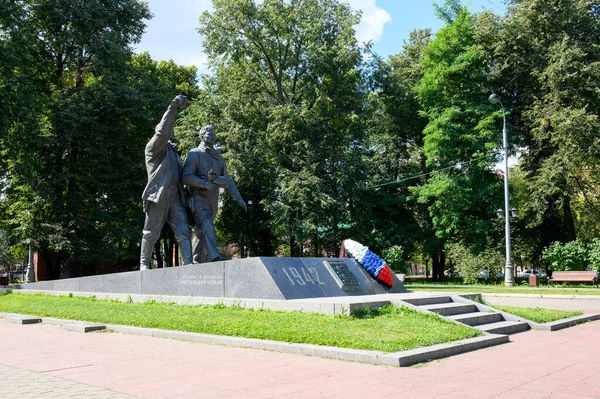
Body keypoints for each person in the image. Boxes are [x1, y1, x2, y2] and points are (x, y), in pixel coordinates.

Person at [140, 95, 193, 270]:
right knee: (151, 232)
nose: (172, 131)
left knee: (183, 230)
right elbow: (162, 132)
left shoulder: (175, 154)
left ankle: (189, 263)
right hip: (158, 195)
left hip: (174, 196)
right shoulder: (153, 149)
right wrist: (172, 108)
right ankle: (144, 264)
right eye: (170, 129)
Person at [182, 125, 247, 262]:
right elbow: (186, 177)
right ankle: (215, 257)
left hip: (213, 199)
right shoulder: (195, 154)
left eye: (213, 134)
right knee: (207, 225)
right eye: (208, 134)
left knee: (201, 231)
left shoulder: (219, 159)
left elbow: (227, 180)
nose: (212, 136)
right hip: (198, 197)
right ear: (201, 136)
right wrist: (204, 183)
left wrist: (238, 198)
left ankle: (195, 261)